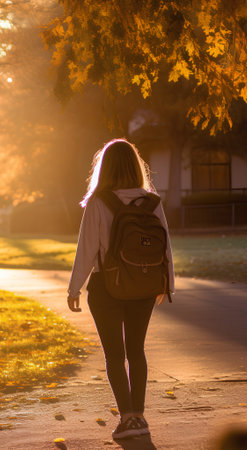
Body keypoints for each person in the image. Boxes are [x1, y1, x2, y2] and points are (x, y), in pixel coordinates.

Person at [67, 138, 174, 439]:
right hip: (143, 284)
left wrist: (74, 288)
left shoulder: (99, 202)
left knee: (114, 354)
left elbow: (86, 249)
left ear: (105, 168)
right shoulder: (152, 202)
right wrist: (168, 285)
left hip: (106, 288)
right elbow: (165, 246)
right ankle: (139, 417)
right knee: (136, 351)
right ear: (135, 166)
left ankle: (127, 418)